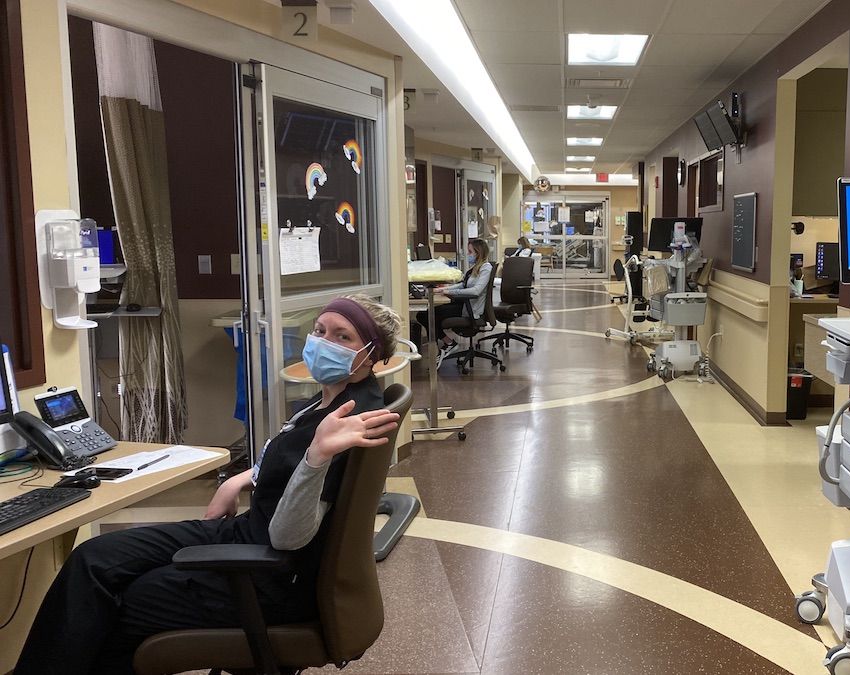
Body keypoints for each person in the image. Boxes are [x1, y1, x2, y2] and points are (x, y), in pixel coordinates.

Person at [15, 295, 405, 675]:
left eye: (343, 337)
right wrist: (239, 478)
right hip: (245, 533)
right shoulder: (329, 403)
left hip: (274, 574)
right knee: (94, 558)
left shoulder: (350, 426)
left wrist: (316, 456)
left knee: (128, 600)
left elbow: (289, 536)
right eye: (320, 330)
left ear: (369, 354)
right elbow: (284, 459)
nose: (323, 342)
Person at [419, 238, 493, 368]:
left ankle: (449, 343)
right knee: (425, 314)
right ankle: (448, 343)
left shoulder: (486, 268)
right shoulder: (475, 268)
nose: (468, 255)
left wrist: (452, 293)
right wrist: (443, 289)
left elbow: (476, 291)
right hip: (464, 304)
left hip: (470, 309)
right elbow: (463, 284)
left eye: (470, 252)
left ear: (478, 252)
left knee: (427, 316)